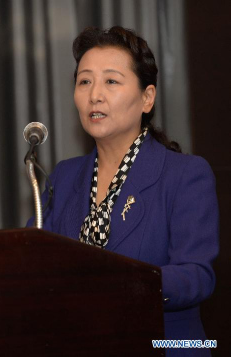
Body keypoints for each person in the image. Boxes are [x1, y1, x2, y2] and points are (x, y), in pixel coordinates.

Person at [27, 26, 219, 357]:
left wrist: (113, 282)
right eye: (84, 81)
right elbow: (28, 263)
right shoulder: (63, 175)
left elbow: (196, 276)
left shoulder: (185, 174)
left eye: (111, 81)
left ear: (147, 98)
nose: (94, 95)